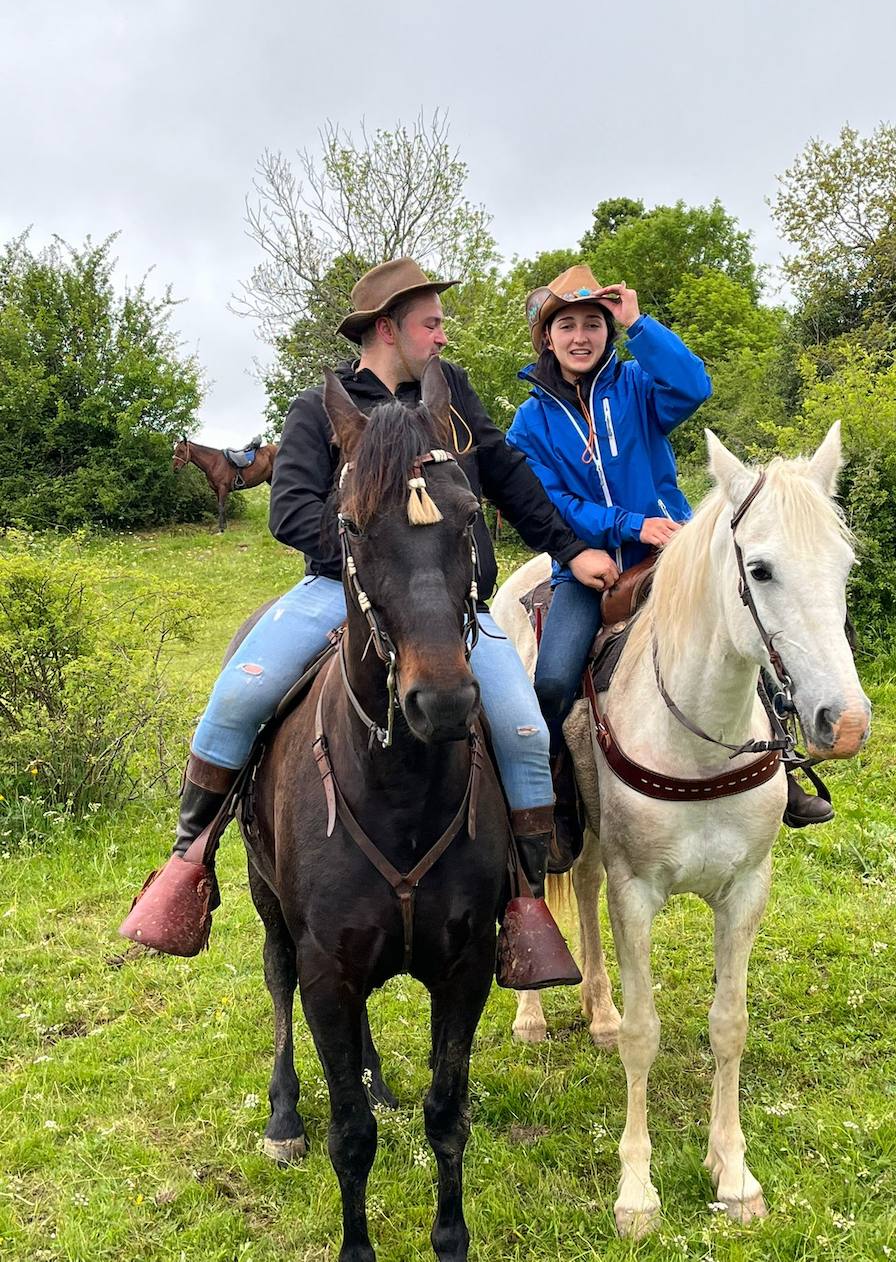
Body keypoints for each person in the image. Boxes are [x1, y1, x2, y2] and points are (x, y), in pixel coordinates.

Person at [121, 258, 618, 988]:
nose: (443, 334)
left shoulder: (452, 400)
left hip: (454, 605)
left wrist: (570, 551)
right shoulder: (316, 408)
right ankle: (188, 860)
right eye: (431, 322)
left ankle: (522, 901)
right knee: (236, 696)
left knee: (521, 729)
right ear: (388, 328)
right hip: (338, 591)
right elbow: (291, 512)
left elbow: (510, 478)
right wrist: (377, 563)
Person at [508, 264, 834, 834]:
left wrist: (640, 323)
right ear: (547, 337)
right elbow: (550, 501)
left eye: (594, 323)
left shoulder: (637, 385)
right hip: (588, 569)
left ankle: (779, 767)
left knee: (741, 627)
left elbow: (692, 385)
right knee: (554, 679)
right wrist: (629, 525)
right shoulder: (530, 421)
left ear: (609, 331)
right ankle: (562, 795)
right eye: (567, 326)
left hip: (673, 554)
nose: (581, 337)